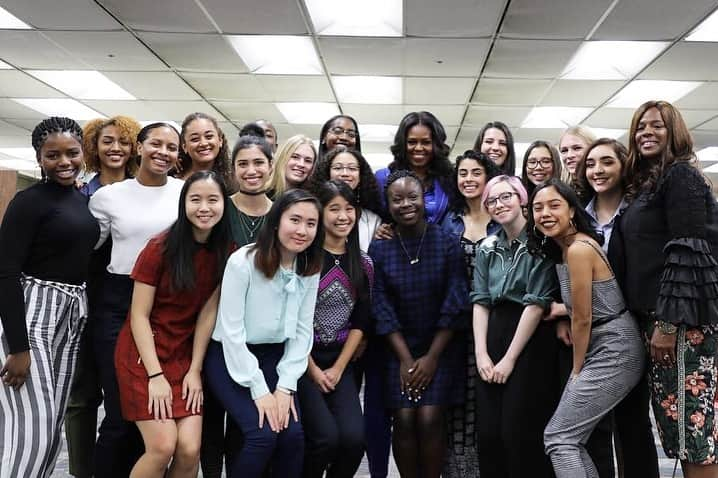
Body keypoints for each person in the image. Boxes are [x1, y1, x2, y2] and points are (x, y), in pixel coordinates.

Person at [618, 100, 718, 477]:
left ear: (674, 131)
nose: (646, 132)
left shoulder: (681, 176)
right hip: (663, 323)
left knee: (695, 437)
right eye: (640, 126)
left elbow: (688, 251)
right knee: (681, 432)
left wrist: (668, 325)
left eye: (656, 126)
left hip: (681, 326)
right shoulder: (652, 182)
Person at [0, 117, 99, 478]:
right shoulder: (29, 201)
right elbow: (6, 272)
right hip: (32, 317)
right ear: (39, 158)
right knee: (32, 434)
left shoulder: (80, 199)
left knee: (52, 428)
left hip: (70, 317)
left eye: (72, 153)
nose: (64, 162)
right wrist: (18, 346)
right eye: (52, 155)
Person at [115, 171, 231, 478]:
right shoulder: (160, 247)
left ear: (224, 205)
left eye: (212, 200)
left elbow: (208, 313)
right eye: (195, 199)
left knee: (190, 449)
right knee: (163, 446)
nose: (204, 207)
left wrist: (195, 370)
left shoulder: (226, 251)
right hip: (144, 353)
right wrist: (155, 375)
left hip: (184, 353)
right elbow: (138, 314)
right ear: (184, 204)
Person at [527, 179, 644, 478]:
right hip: (609, 342)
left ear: (572, 212)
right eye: (537, 208)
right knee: (569, 438)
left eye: (554, 205)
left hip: (614, 347)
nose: (545, 213)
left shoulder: (578, 248)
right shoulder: (565, 249)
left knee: (560, 437)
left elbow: (583, 317)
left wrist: (576, 369)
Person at [204, 189, 324, 478]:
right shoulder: (242, 261)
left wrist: (285, 387)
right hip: (231, 355)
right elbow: (231, 332)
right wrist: (259, 390)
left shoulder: (308, 265)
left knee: (293, 436)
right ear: (276, 221)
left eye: (311, 223)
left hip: (276, 357)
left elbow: (301, 331)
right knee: (264, 436)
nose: (302, 230)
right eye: (294, 219)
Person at [89, 122, 184, 477]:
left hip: (168, 307)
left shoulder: (186, 192)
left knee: (154, 417)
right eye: (155, 144)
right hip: (118, 303)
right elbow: (90, 251)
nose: (163, 152)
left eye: (172, 147)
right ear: (139, 147)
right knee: (120, 413)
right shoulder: (108, 196)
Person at [370, 170, 470, 478]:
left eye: (413, 197)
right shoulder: (380, 248)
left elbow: (456, 302)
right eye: (396, 199)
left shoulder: (447, 242)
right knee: (403, 418)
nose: (406, 204)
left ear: (424, 200)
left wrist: (431, 358)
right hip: (397, 348)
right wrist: (406, 360)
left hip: (441, 346)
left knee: (428, 418)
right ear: (387, 204)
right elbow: (381, 307)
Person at [573, 138, 660, 477]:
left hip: (634, 327)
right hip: (590, 329)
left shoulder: (640, 209)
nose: (598, 170)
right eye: (591, 163)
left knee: (633, 422)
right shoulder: (579, 214)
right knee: (594, 427)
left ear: (624, 165)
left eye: (607, 162)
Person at [65, 115, 142, 478]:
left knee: (123, 397)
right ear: (94, 146)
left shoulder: (144, 193)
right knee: (82, 396)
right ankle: (82, 470)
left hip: (126, 306)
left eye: (123, 142)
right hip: (81, 302)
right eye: (107, 141)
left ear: (134, 148)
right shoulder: (79, 195)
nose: (115, 148)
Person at [472, 175, 559, 478]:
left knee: (518, 432)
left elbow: (536, 304)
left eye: (506, 196)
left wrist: (509, 360)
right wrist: (481, 354)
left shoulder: (542, 243)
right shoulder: (487, 247)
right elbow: (481, 301)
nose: (499, 204)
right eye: (492, 200)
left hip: (529, 338)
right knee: (489, 435)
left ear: (522, 199)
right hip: (493, 332)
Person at [201, 135, 274, 478]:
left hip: (258, 333)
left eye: (259, 162)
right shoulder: (219, 207)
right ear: (232, 170)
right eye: (243, 163)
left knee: (244, 422)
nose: (251, 170)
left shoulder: (282, 215)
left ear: (271, 168)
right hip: (213, 323)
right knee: (212, 417)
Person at [298, 180, 373, 478]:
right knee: (325, 439)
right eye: (334, 209)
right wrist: (313, 369)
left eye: (349, 209)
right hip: (303, 362)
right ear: (320, 212)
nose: (343, 216)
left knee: (354, 441)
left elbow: (361, 321)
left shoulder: (364, 263)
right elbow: (293, 322)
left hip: (340, 363)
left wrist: (339, 368)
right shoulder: (304, 259)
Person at [439, 149, 500, 477]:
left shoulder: (502, 218)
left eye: (476, 173)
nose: (469, 179)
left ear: (487, 177)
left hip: (496, 326)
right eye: (463, 173)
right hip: (456, 327)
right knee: (457, 403)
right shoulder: (448, 220)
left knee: (487, 401)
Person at [375, 111, 453, 225]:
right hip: (396, 241)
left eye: (426, 142)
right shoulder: (383, 178)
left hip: (438, 241)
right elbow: (375, 218)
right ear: (402, 144)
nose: (418, 148)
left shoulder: (448, 178)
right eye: (412, 142)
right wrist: (380, 229)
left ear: (436, 145)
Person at [308, 146, 382, 252]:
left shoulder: (373, 220)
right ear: (327, 172)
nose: (345, 173)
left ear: (361, 175)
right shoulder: (313, 212)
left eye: (352, 168)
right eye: (338, 168)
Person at [176, 112, 233, 191]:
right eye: (195, 139)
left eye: (209, 137)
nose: (203, 143)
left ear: (220, 140)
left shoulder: (234, 181)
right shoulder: (174, 181)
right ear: (184, 146)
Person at [266, 134, 317, 199]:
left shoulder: (312, 200)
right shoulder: (262, 194)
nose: (301, 164)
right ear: (282, 158)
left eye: (308, 161)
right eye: (295, 157)